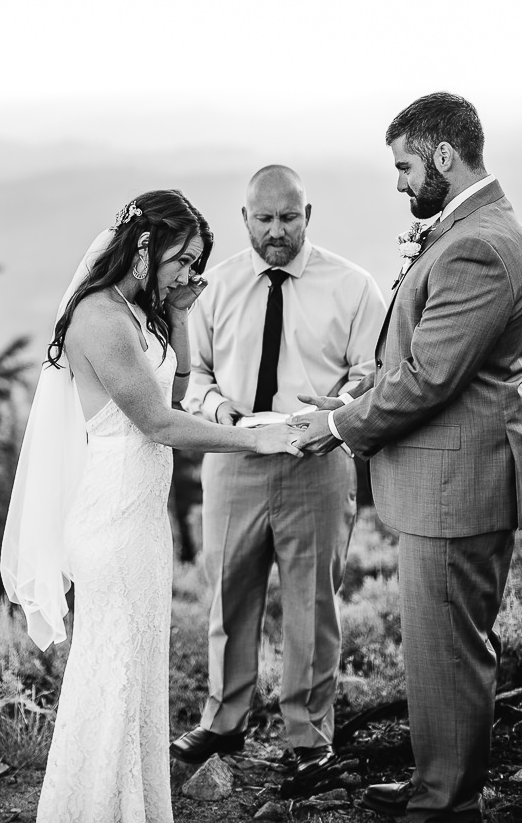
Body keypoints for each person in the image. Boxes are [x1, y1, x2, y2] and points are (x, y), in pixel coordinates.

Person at [0, 189, 305, 823]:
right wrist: (256, 438)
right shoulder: (100, 319)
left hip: (142, 522)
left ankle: (128, 805)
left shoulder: (139, 311)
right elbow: (160, 423)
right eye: (181, 260)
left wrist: (181, 307)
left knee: (138, 672)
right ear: (144, 247)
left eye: (196, 262)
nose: (188, 273)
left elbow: (182, 382)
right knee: (109, 675)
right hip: (109, 523)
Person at [296, 93, 522, 822]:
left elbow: (433, 377)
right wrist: (373, 376)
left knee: (451, 653)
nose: (399, 183)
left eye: (404, 166)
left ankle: (445, 804)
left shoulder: (478, 246)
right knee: (439, 652)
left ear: (442, 156)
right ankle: (440, 780)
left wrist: (339, 424)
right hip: (450, 478)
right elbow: (429, 352)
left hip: (458, 484)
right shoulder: (467, 229)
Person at [170, 166, 386, 779]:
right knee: (229, 592)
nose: (276, 231)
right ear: (245, 220)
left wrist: (339, 409)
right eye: (263, 219)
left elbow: (371, 373)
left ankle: (307, 736)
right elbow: (197, 376)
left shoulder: (352, 286)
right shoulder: (214, 287)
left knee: (312, 602)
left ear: (308, 216)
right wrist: (226, 415)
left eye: (288, 217)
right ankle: (223, 721)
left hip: (318, 461)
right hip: (234, 459)